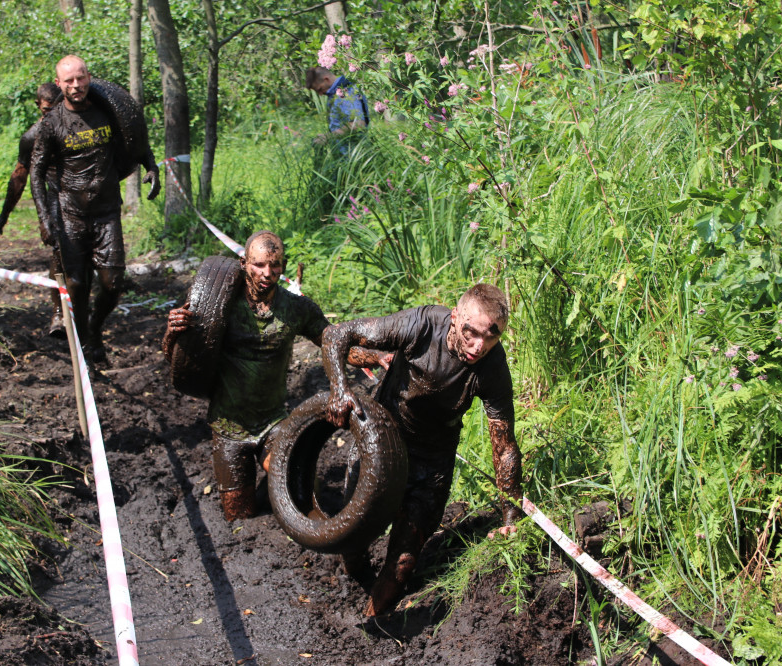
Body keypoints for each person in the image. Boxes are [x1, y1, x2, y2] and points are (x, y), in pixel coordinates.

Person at [321, 283, 523, 616]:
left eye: (491, 337)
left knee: (403, 562)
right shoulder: (421, 325)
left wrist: (511, 516)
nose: (477, 346)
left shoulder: (493, 367)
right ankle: (354, 575)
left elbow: (504, 446)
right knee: (353, 535)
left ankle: (373, 626)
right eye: (470, 333)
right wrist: (339, 391)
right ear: (455, 317)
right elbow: (336, 335)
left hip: (433, 462)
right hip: (381, 440)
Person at [163, 231, 389, 521]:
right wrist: (173, 332)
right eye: (259, 265)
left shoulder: (295, 308)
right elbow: (177, 358)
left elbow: (335, 344)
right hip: (228, 428)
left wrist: (380, 357)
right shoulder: (220, 307)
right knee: (239, 516)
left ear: (283, 265)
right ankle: (263, 490)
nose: (267, 273)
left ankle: (274, 485)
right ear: (243, 263)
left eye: (275, 265)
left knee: (303, 488)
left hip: (272, 422)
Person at [30, 55, 160, 368]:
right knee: (76, 284)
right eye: (69, 81)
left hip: (106, 213)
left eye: (81, 78)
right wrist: (45, 220)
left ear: (89, 77)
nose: (76, 86)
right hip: (71, 214)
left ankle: (94, 329)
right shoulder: (51, 124)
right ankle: (84, 341)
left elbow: (135, 136)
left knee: (113, 283)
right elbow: (36, 172)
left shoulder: (108, 111)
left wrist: (151, 164)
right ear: (59, 84)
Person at [0, 82, 65, 338]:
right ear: (38, 107)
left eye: (57, 109)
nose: (52, 116)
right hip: (55, 197)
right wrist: (4, 215)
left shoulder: (77, 125)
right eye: (47, 111)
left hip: (87, 193)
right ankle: (58, 312)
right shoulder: (31, 137)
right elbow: (19, 177)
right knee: (60, 253)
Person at [304, 66, 369, 149]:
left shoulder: (346, 91)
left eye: (320, 89)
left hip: (354, 152)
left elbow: (359, 124)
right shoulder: (334, 94)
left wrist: (328, 137)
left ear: (326, 79)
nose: (320, 94)